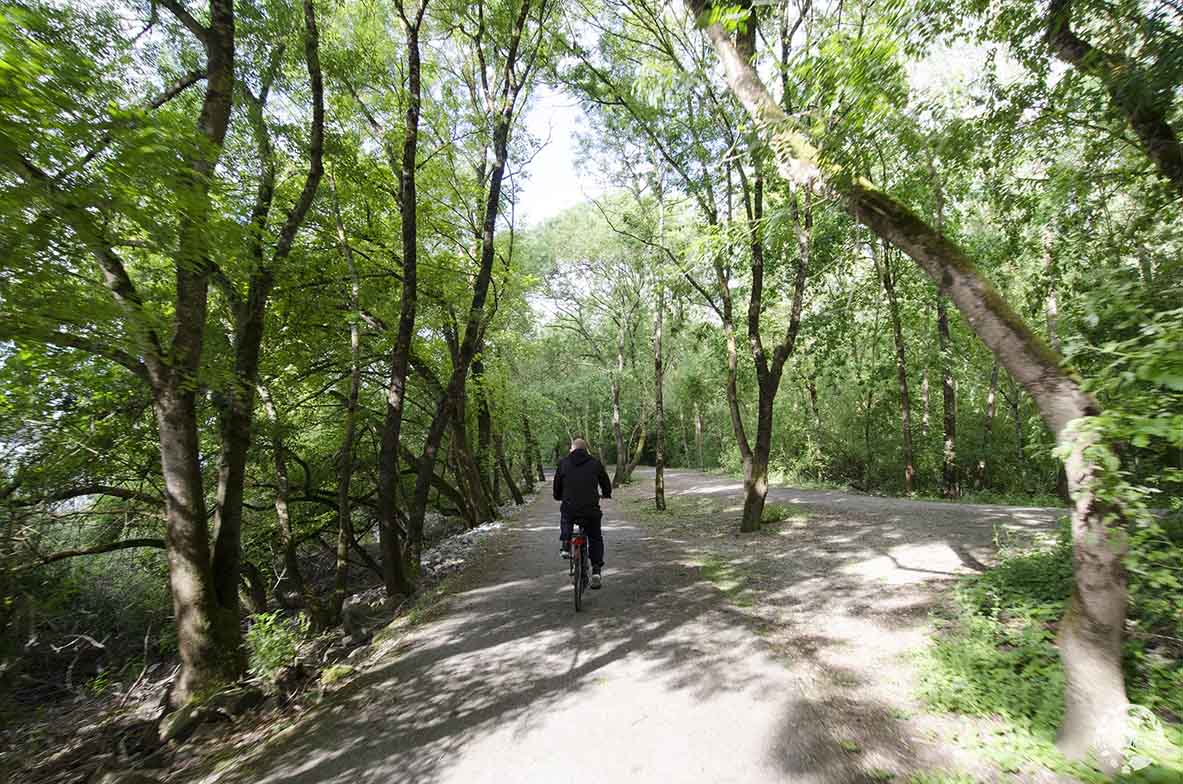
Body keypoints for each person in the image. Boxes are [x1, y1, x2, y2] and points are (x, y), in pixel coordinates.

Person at [553, 437, 612, 589]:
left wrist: (558, 496)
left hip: (570, 507)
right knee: (595, 537)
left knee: (566, 516)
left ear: (572, 449)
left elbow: (557, 485)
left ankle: (566, 544)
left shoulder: (563, 463)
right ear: (586, 449)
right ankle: (597, 571)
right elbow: (605, 482)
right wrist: (606, 493)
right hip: (590, 509)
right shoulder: (595, 463)